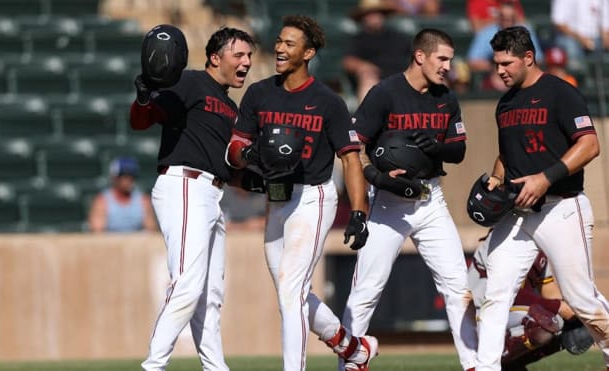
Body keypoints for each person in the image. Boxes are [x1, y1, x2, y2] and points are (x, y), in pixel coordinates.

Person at [226, 15, 375, 371]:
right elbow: (235, 146)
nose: (279, 47)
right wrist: (247, 155)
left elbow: (351, 160)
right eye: (279, 41)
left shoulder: (328, 101)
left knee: (290, 290)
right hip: (277, 198)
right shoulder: (259, 93)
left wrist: (359, 212)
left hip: (314, 197)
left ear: (308, 52)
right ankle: (353, 349)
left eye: (289, 43)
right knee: (289, 293)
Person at [342, 28, 478, 371]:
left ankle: (476, 365)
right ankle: (350, 364)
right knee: (366, 290)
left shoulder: (446, 97)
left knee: (458, 288)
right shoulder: (384, 93)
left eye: (450, 58)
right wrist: (377, 177)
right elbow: (352, 147)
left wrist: (438, 147)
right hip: (387, 203)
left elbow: (459, 151)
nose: (448, 66)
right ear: (421, 56)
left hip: (430, 199)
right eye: (442, 58)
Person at [474, 25, 609, 371]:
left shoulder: (560, 93)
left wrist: (545, 177)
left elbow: (590, 144)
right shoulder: (505, 103)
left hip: (561, 207)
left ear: (528, 58)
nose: (499, 70)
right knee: (495, 295)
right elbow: (507, 156)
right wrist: (495, 180)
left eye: (507, 63)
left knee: (581, 297)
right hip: (518, 213)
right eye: (496, 63)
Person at [130, 26, 256, 371]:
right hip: (184, 185)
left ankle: (216, 368)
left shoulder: (231, 107)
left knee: (211, 295)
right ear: (216, 57)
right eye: (239, 54)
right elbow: (143, 120)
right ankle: (153, 366)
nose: (246, 62)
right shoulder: (189, 81)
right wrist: (143, 99)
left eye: (249, 56)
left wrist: (256, 174)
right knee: (187, 283)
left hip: (213, 193)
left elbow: (232, 168)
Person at [468, 231, 593, 371]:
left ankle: (512, 365)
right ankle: (489, 362)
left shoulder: (539, 240)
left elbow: (548, 290)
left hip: (508, 312)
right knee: (544, 322)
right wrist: (560, 307)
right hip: (479, 316)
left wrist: (577, 311)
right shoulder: (500, 237)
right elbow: (505, 293)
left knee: (563, 322)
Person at [343, 0, 413, 102]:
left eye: (377, 12)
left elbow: (415, 56)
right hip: (376, 81)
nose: (374, 16)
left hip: (402, 79)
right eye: (370, 13)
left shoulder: (398, 37)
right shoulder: (358, 39)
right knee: (368, 80)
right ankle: (367, 116)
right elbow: (348, 62)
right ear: (363, 17)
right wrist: (363, 66)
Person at [467, 0, 543, 92]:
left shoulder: (525, 31)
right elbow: (473, 61)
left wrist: (516, 66)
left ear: (515, 17)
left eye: (510, 19)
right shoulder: (487, 33)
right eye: (503, 18)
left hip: (521, 79)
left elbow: (538, 59)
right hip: (495, 81)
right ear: (498, 17)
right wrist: (497, 65)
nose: (507, 22)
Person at [88, 156, 156, 232]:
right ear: (115, 178)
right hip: (110, 243)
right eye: (125, 176)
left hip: (137, 243)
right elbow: (97, 232)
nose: (129, 181)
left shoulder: (143, 201)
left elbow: (151, 231)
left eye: (132, 176)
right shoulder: (103, 201)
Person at [551, 0, 609, 72]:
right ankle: (578, 78)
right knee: (571, 47)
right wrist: (581, 39)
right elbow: (558, 23)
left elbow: (605, 28)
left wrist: (606, 39)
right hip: (571, 37)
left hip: (595, 39)